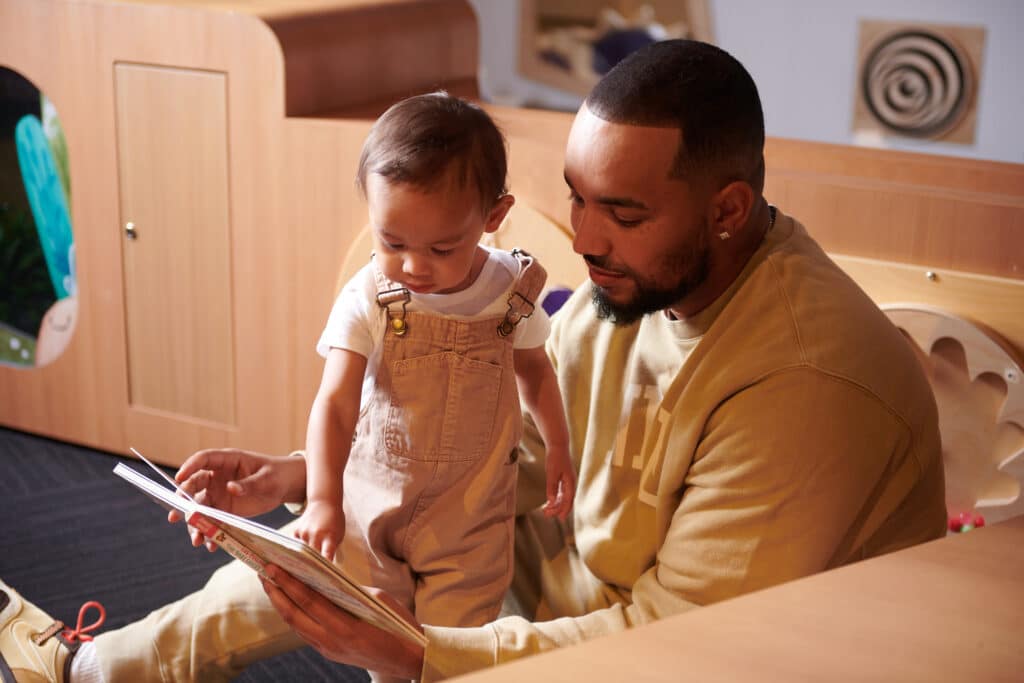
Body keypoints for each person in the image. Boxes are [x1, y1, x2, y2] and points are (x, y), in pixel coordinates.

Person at [0, 39, 945, 683]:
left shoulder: (808, 381)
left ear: (729, 210)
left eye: (622, 212)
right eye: (577, 200)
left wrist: (421, 654)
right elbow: (511, 438)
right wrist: (300, 475)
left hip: (665, 648)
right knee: (314, 556)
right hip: (546, 557)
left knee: (377, 602)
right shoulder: (638, 282)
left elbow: (682, 642)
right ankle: (87, 666)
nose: (586, 240)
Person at [292, 92, 575, 636]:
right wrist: (323, 499)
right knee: (380, 638)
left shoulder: (510, 292)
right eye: (391, 241)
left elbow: (536, 371)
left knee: (448, 649)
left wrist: (558, 444)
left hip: (470, 521)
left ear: (494, 216)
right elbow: (334, 401)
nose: (414, 267)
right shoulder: (370, 295)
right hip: (371, 504)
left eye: (444, 249)